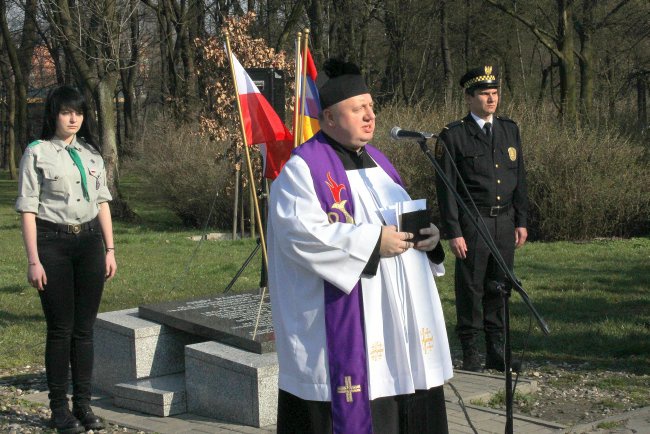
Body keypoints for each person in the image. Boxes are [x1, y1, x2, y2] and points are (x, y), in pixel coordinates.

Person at [268, 58, 453, 434]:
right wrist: (372, 243)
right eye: (358, 110)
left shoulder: (380, 163)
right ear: (331, 119)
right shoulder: (302, 170)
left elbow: (399, 220)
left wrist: (428, 237)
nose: (370, 116)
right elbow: (302, 235)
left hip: (395, 325)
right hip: (345, 328)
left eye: (370, 107)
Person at [16, 85, 116, 434]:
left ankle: (83, 405)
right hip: (52, 244)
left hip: (89, 243)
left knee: (85, 330)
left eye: (79, 113)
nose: (73, 118)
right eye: (65, 112)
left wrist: (110, 249)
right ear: (53, 115)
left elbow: (102, 202)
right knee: (61, 329)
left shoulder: (91, 154)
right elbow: (28, 209)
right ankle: (59, 409)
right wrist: (33, 260)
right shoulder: (37, 153)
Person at [435, 65, 528, 372]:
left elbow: (520, 179)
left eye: (495, 93)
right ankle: (471, 352)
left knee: (500, 287)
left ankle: (497, 351)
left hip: (503, 221)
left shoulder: (508, 129)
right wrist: (454, 231)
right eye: (485, 94)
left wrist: (521, 220)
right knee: (471, 287)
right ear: (470, 98)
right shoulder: (454, 136)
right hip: (473, 221)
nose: (492, 99)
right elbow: (446, 189)